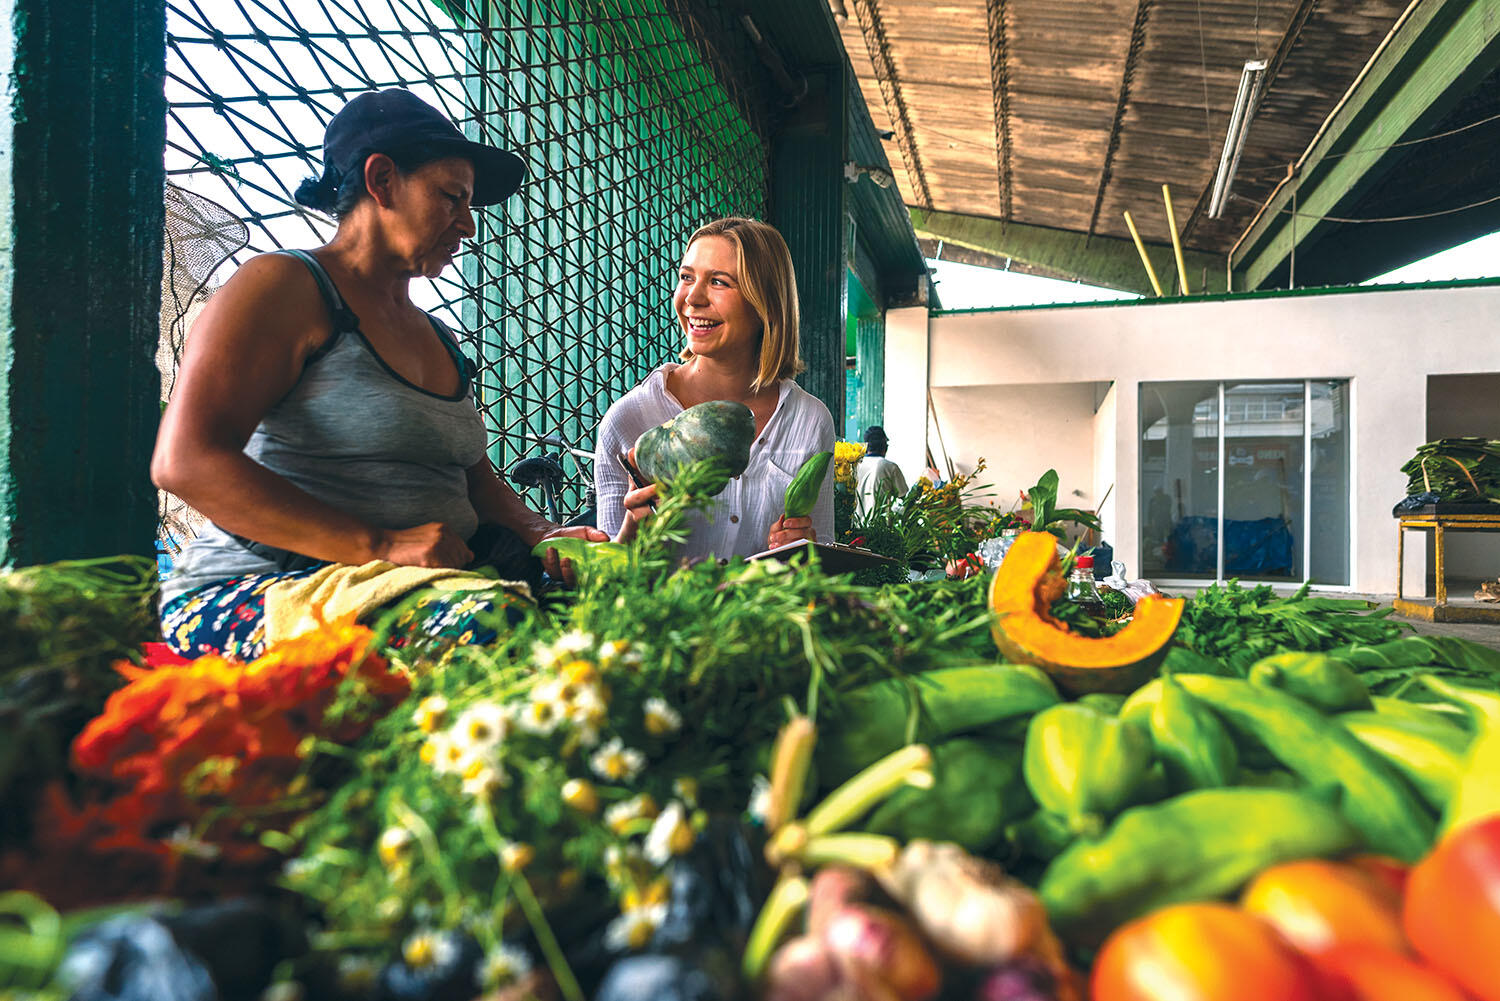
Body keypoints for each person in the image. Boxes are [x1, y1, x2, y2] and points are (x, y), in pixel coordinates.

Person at [152, 88, 608, 659]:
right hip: (266, 589)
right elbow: (187, 461)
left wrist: (540, 535)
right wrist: (382, 545)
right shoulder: (286, 286)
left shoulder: (437, 336)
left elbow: (472, 479)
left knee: (622, 612)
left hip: (432, 585)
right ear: (382, 180)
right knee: (494, 631)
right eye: (452, 198)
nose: (468, 225)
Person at [593, 217, 835, 562]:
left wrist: (802, 550)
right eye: (687, 277)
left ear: (764, 302)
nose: (692, 297)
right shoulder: (630, 419)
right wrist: (634, 530)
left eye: (719, 282)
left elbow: (822, 559)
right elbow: (607, 583)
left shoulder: (810, 421)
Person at [855, 425, 908, 511]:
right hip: (881, 524)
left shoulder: (857, 465)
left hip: (856, 523)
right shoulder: (890, 467)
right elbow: (903, 497)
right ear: (884, 446)